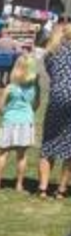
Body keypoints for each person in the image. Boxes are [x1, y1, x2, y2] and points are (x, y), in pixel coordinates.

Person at [0, 54, 40, 192]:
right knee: (22, 155)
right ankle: (19, 184)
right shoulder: (34, 88)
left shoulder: (10, 87)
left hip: (10, 121)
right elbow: (36, 106)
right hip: (26, 122)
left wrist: (5, 114)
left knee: (3, 153)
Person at [37, 21, 71, 199]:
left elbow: (52, 75)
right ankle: (62, 189)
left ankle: (43, 188)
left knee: (48, 141)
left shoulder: (50, 53)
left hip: (57, 97)